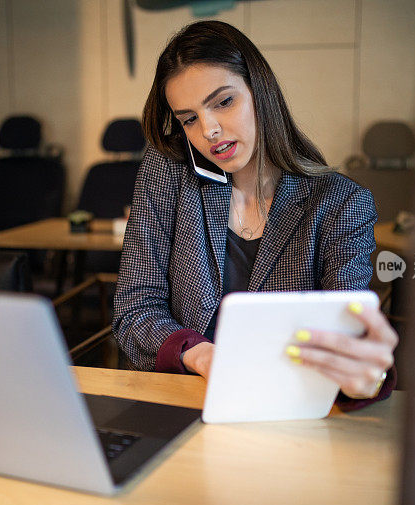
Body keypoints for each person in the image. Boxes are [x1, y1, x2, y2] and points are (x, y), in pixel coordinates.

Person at [112, 20, 397, 410]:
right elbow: (135, 308)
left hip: (288, 409)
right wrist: (200, 354)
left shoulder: (341, 203)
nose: (209, 130)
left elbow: (348, 335)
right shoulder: (170, 170)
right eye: (189, 118)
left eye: (223, 102)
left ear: (260, 92)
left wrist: (366, 375)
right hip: (185, 401)